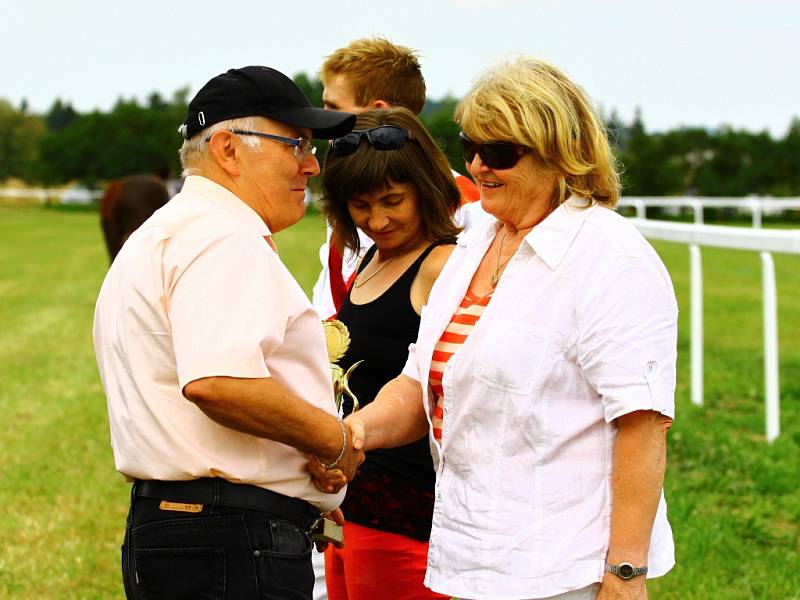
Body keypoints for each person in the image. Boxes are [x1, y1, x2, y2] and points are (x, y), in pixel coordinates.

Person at [312, 57, 678, 600]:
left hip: (564, 567)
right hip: (472, 555)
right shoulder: (477, 237)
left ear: (559, 151)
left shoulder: (611, 256)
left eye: (500, 152)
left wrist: (625, 573)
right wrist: (352, 435)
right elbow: (418, 383)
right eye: (469, 147)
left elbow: (643, 424)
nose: (479, 166)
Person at [92, 65, 364, 600]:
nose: (312, 165)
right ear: (228, 149)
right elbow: (218, 381)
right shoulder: (224, 236)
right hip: (230, 539)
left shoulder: (163, 233)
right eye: (296, 144)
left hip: (189, 531)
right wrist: (332, 441)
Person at [320, 107, 460, 600]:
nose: (377, 220)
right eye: (360, 206)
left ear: (425, 185)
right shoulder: (372, 258)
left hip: (404, 518)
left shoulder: (442, 265)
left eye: (393, 200)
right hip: (351, 511)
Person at [312, 37, 484, 320]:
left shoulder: (465, 204)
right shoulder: (349, 190)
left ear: (379, 111)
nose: (323, 121)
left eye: (333, 109)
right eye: (362, 206)